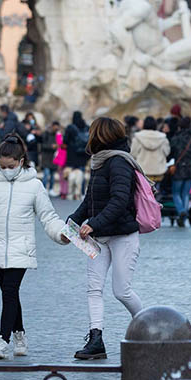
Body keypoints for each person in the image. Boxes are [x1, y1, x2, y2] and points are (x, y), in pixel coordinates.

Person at [0, 135, 68, 359]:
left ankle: (3, 340)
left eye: (10, 166)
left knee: (10, 292)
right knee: (9, 294)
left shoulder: (35, 186)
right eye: (2, 167)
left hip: (22, 249)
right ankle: (20, 333)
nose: (6, 170)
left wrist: (61, 234)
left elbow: (48, 216)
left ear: (21, 162)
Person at [68, 117, 145, 360]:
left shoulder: (119, 163)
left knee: (121, 291)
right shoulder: (99, 162)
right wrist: (72, 221)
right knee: (93, 288)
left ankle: (149, 328)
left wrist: (93, 223)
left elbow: (119, 201)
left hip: (123, 235)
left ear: (100, 135)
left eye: (92, 132)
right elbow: (90, 199)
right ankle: (96, 339)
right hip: (99, 238)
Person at [168, 117, 191, 226]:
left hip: (179, 170)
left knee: (176, 193)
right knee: (186, 194)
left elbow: (170, 155)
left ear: (179, 126)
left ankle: (181, 211)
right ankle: (184, 214)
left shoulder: (175, 138)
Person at [130, 116, 170, 182]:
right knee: (157, 190)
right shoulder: (162, 137)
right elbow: (167, 152)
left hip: (143, 171)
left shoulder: (137, 137)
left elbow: (133, 153)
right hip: (159, 171)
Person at [63, 112, 90, 201]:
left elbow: (65, 141)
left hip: (72, 154)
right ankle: (81, 193)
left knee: (71, 175)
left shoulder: (70, 127)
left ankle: (71, 193)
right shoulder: (86, 127)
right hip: (83, 155)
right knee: (81, 175)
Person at [43, 121, 62, 196]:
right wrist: (51, 146)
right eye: (55, 126)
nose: (56, 128)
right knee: (46, 174)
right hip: (46, 157)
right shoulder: (46, 134)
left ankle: (51, 189)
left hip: (54, 158)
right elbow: (42, 145)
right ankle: (44, 189)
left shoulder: (58, 135)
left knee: (52, 175)